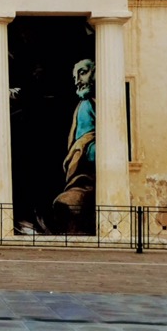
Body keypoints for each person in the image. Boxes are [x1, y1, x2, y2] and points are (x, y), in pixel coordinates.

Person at [53, 58, 96, 233]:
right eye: (75, 77)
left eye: (83, 73)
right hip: (81, 173)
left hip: (89, 172)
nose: (78, 81)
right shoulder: (84, 105)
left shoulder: (93, 103)